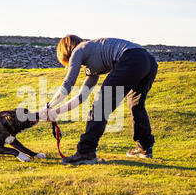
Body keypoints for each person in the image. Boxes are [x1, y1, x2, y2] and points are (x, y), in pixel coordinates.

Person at [39, 35, 158, 165]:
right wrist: (55, 112)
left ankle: (86, 152)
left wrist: (48, 106)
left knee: (101, 105)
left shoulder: (78, 49)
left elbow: (68, 84)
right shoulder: (93, 60)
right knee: (136, 104)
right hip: (148, 60)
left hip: (131, 58)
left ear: (67, 51)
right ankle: (144, 147)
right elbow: (81, 97)